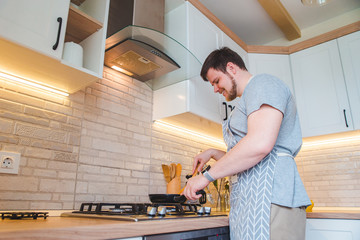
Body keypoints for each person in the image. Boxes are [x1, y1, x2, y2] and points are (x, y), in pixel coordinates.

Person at [182, 47, 311, 240]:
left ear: (231, 68)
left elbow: (260, 144)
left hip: (273, 198)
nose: (215, 89)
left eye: (216, 81)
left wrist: (206, 177)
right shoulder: (247, 100)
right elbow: (246, 154)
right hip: (252, 202)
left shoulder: (263, 84)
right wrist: (213, 152)